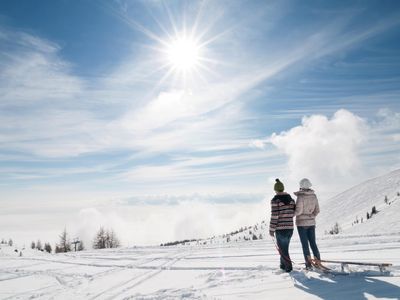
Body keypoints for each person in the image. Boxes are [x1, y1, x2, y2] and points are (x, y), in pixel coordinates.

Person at [269, 178, 296, 272]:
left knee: (283, 250)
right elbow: (293, 213)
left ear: (275, 189)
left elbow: (275, 215)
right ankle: (282, 265)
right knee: (284, 248)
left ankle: (288, 267)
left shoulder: (275, 200)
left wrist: (271, 229)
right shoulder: (291, 200)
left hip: (280, 229)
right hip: (290, 228)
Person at [294, 178, 321, 269]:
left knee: (305, 244)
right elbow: (317, 210)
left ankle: (308, 264)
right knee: (313, 243)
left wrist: (291, 214)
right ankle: (318, 262)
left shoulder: (300, 197)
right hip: (311, 223)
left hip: (301, 224)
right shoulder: (314, 196)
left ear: (301, 186)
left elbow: (298, 211)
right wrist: (311, 216)